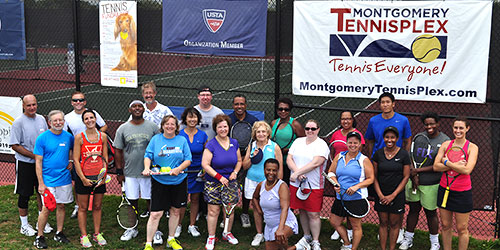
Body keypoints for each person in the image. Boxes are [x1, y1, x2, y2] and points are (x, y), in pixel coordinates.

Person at [365, 92, 411, 242]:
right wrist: (373, 159)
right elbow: (370, 141)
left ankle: (398, 228)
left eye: (387, 102)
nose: (385, 105)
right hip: (381, 164)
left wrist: (405, 158)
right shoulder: (373, 121)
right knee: (380, 200)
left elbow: (407, 140)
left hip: (397, 164)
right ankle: (384, 228)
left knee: (398, 197)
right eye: (382, 102)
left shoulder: (403, 120)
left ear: (393, 104)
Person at [399, 112, 449, 250]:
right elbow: (410, 157)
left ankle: (434, 242)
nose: (429, 126)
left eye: (432, 123)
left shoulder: (445, 141)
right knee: (413, 210)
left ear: (438, 123)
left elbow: (441, 166)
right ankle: (408, 239)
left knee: (430, 213)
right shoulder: (419, 137)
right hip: (414, 182)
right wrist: (413, 175)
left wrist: (418, 171)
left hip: (432, 184)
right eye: (426, 124)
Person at [142, 115, 192, 250]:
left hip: (178, 181)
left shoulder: (181, 140)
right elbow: (148, 156)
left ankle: (171, 239)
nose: (170, 126)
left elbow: (188, 159)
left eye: (173, 124)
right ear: (162, 126)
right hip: (160, 182)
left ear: (176, 127)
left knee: (176, 211)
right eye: (167, 124)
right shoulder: (155, 139)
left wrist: (179, 169)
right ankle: (148, 243)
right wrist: (147, 168)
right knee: (155, 214)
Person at [113, 100, 159, 242]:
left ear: (143, 109)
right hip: (130, 172)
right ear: (130, 110)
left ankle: (155, 230)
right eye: (134, 106)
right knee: (132, 200)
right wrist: (119, 171)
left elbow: (158, 147)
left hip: (148, 172)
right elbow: (118, 151)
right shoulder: (123, 128)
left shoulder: (152, 127)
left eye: (140, 106)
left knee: (151, 200)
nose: (137, 108)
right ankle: (132, 227)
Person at [9, 95, 52, 237]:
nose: (32, 107)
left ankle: (42, 222)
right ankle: (24, 225)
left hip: (40, 165)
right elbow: (15, 145)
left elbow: (46, 138)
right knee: (24, 194)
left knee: (42, 192)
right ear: (23, 106)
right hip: (25, 164)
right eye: (29, 105)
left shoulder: (41, 119)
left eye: (34, 104)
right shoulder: (18, 122)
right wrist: (34, 156)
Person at [433, 117, 478, 250]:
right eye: (455, 128)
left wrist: (447, 163)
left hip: (462, 192)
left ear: (467, 129)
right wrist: (455, 166)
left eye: (461, 128)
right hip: (445, 189)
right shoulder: (446, 145)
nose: (458, 131)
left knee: (461, 228)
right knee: (446, 226)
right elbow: (436, 166)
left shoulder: (472, 147)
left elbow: (467, 170)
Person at [33, 110, 74, 249]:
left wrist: (71, 160)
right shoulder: (42, 138)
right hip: (48, 181)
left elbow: (72, 150)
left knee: (61, 205)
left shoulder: (68, 137)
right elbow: (38, 162)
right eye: (55, 121)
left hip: (64, 179)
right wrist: (41, 183)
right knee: (46, 208)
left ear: (64, 121)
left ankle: (59, 232)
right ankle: (39, 236)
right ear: (49, 122)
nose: (58, 123)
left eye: (60, 120)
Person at [63, 91, 107, 219]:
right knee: (79, 181)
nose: (78, 102)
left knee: (95, 183)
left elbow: (104, 127)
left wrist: (93, 137)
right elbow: (65, 137)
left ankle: (93, 205)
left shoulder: (93, 113)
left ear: (85, 102)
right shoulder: (68, 118)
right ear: (71, 102)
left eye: (81, 100)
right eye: (75, 100)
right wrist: (71, 157)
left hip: (94, 156)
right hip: (79, 155)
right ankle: (79, 206)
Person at [327, 131, 374, 250]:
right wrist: (335, 183)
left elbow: (371, 179)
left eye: (355, 143)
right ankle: (347, 244)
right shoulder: (339, 156)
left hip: (356, 198)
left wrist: (356, 186)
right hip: (340, 197)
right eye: (350, 142)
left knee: (356, 226)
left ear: (360, 144)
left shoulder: (364, 160)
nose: (352, 145)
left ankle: (353, 248)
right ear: (346, 143)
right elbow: (331, 172)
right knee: (334, 221)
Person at [201, 114, 242, 250]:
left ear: (228, 127)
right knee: (213, 210)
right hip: (213, 182)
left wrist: (235, 172)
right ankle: (211, 236)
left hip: (230, 182)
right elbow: (205, 164)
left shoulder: (234, 142)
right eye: (220, 127)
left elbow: (240, 161)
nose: (223, 129)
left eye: (225, 126)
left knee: (229, 209)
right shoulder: (211, 144)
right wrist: (219, 177)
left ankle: (227, 233)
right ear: (216, 129)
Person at [287, 119, 329, 250]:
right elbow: (289, 158)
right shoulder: (298, 142)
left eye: (313, 128)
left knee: (314, 214)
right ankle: (306, 236)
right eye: (307, 128)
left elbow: (316, 162)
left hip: (314, 185)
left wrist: (297, 173)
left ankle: (315, 241)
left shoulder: (321, 144)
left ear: (318, 129)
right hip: (297, 184)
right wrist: (297, 174)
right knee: (302, 210)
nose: (310, 131)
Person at [242, 121, 283, 247]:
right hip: (252, 180)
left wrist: (278, 184)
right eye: (258, 131)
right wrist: (252, 157)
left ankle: (271, 232)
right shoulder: (252, 145)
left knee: (271, 207)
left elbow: (280, 167)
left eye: (263, 131)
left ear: (268, 133)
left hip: (268, 183)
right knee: (256, 208)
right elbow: (244, 166)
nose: (261, 134)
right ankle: (259, 233)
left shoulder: (274, 146)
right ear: (255, 133)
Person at [72, 109, 109, 247]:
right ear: (83, 121)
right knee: (82, 207)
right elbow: (76, 159)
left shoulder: (103, 136)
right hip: (84, 177)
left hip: (98, 177)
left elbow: (105, 158)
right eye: (86, 118)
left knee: (97, 206)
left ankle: (97, 234)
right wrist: (82, 178)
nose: (89, 120)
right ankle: (83, 236)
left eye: (91, 118)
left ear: (95, 119)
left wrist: (103, 176)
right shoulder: (79, 137)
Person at [329, 111, 365, 242]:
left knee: (352, 212)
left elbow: (359, 155)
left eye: (348, 119)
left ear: (352, 120)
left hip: (352, 176)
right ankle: (339, 230)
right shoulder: (335, 135)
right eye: (343, 119)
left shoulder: (358, 136)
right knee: (339, 206)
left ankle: (350, 232)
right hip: (339, 173)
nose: (345, 121)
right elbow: (333, 152)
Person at [372, 126, 410, 250]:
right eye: (387, 137)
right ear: (383, 138)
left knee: (394, 224)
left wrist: (393, 195)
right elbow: (374, 176)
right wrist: (381, 195)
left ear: (397, 138)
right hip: (381, 194)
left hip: (397, 195)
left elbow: (406, 177)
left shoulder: (404, 154)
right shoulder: (378, 154)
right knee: (383, 223)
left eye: (392, 137)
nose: (390, 140)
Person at [252, 158, 299, 250]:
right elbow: (254, 197)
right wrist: (259, 211)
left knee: (279, 237)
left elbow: (285, 208)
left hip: (286, 223)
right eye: (268, 170)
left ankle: (298, 247)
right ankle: (299, 247)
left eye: (274, 170)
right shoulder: (261, 185)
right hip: (269, 226)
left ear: (278, 171)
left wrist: (280, 229)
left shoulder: (282, 186)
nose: (271, 173)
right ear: (264, 170)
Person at [176, 107, 208, 238]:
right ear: (185, 119)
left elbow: (206, 154)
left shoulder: (203, 135)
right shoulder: (179, 135)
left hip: (197, 172)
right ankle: (178, 225)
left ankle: (192, 225)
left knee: (195, 199)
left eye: (194, 117)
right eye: (190, 117)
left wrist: (205, 169)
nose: (192, 119)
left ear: (198, 119)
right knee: (181, 200)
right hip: (183, 172)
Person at [228, 94, 259, 229]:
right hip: (231, 160)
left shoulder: (253, 121)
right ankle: (228, 214)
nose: (239, 107)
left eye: (241, 104)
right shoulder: (228, 120)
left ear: (246, 105)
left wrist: (248, 155)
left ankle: (245, 213)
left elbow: (257, 140)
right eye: (236, 104)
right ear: (233, 105)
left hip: (247, 160)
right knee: (229, 188)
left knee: (247, 189)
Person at [271, 97, 305, 185]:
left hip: (288, 163)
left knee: (285, 187)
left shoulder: (295, 124)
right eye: (280, 109)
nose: (283, 111)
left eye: (286, 109)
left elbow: (303, 143)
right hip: (275, 161)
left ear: (290, 111)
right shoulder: (273, 123)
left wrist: (287, 150)